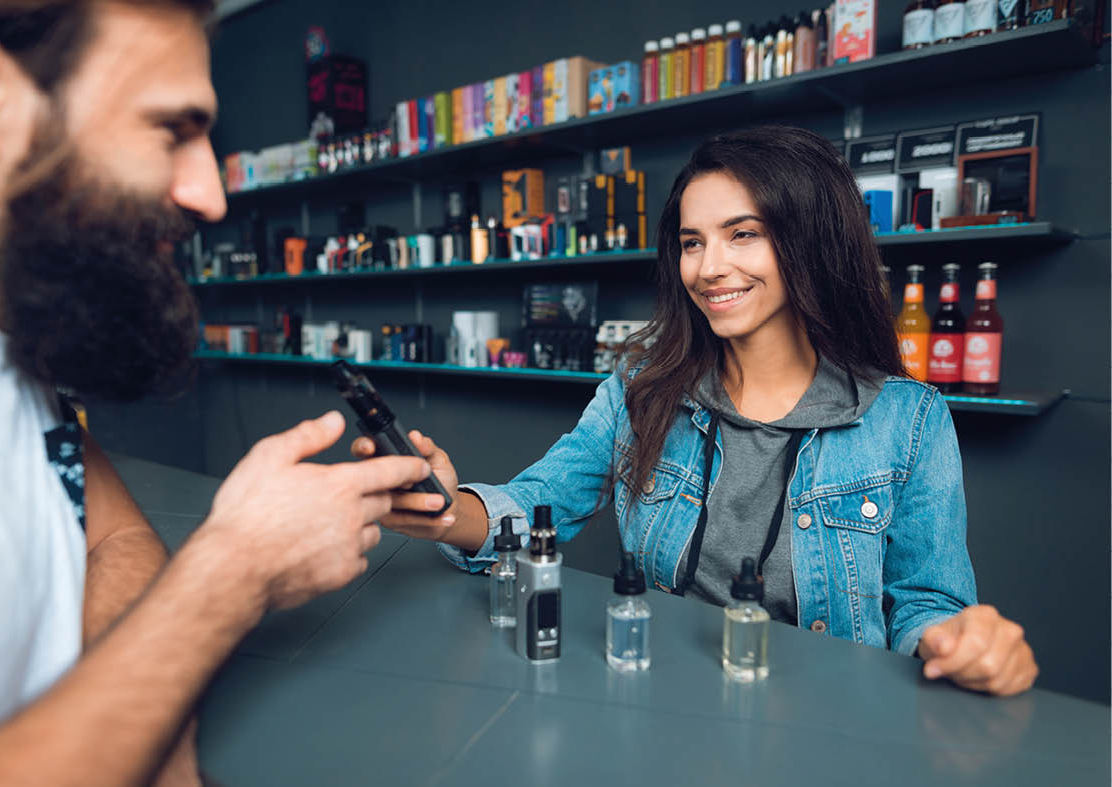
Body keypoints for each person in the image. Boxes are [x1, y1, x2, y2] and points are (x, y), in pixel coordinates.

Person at [0, 1, 432, 787]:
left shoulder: (17, 370)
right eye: (171, 131)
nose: (209, 194)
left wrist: (144, 738)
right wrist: (235, 568)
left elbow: (115, 542)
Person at [357, 126, 1039, 698]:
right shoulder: (637, 390)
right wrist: (444, 510)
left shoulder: (908, 419)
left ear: (811, 240)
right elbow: (539, 501)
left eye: (742, 234)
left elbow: (925, 605)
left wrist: (961, 642)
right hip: (657, 702)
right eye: (691, 241)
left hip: (831, 723)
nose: (709, 266)